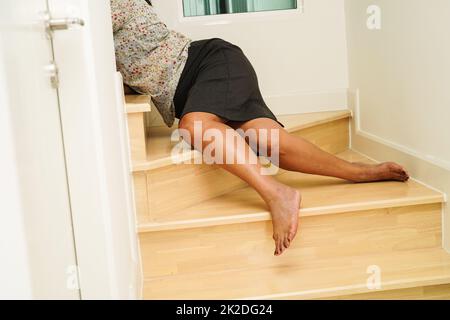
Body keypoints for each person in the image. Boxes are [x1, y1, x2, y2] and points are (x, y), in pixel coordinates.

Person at [111, 0, 409, 256]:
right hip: (198, 85)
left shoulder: (100, 10)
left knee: (194, 126)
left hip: (211, 63)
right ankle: (360, 172)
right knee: (268, 141)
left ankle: (277, 194)